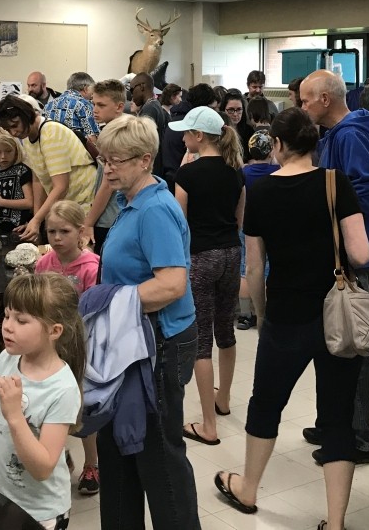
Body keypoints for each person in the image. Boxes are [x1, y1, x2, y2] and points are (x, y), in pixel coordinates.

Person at [214, 107, 369, 529]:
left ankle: (248, 489)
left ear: (278, 145)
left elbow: (254, 267)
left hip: (286, 314)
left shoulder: (261, 192)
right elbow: (361, 254)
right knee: (337, 417)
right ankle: (335, 522)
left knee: (266, 403)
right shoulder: (337, 183)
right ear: (314, 143)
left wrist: (262, 315)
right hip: (338, 317)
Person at [95, 115, 199, 530]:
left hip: (158, 342)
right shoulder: (130, 201)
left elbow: (172, 284)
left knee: (157, 454)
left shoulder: (155, 209)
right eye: (104, 159)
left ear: (145, 160)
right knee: (119, 447)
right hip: (130, 341)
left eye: (116, 160)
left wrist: (107, 301)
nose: (108, 168)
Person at [0, 273, 85, 530]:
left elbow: (43, 468)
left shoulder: (62, 388)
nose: (7, 326)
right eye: (7, 315)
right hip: (3, 498)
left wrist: (14, 416)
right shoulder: (8, 359)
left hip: (42, 513)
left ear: (54, 331)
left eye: (21, 320)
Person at [299, 68, 369, 461]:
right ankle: (330, 422)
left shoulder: (350, 135)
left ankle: (359, 436)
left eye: (305, 100)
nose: (301, 107)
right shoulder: (334, 135)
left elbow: (368, 192)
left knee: (354, 344)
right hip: (338, 254)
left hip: (353, 257)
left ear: (325, 100)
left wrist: (331, 215)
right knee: (332, 341)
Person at [170, 106, 245, 448]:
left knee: (201, 340)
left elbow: (179, 224)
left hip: (200, 257)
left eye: (186, 133)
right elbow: (239, 221)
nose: (183, 138)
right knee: (225, 330)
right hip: (231, 253)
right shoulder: (235, 173)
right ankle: (224, 398)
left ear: (198, 137)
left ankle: (209, 425)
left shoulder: (187, 176)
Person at [35, 200, 101, 496]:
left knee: (83, 408)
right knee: (48, 405)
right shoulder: (43, 265)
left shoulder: (91, 268)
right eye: (51, 231)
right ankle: (58, 453)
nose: (57, 238)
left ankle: (92, 463)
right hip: (50, 349)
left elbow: (96, 311)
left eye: (64, 231)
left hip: (81, 346)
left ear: (81, 233)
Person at [0, 95, 97, 243]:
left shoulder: (51, 133)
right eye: (8, 129)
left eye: (15, 125)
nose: (13, 133)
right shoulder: (27, 138)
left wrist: (37, 220)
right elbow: (38, 180)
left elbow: (61, 186)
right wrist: (36, 221)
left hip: (83, 205)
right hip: (67, 206)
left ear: (26, 115)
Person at [237, 129, 278, 330]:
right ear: (272, 150)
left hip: (246, 225)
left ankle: (245, 314)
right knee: (268, 268)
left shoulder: (243, 173)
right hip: (272, 226)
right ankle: (267, 309)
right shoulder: (278, 171)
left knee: (246, 268)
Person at [84, 80, 127, 252]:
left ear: (119, 106)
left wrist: (88, 222)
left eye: (101, 105)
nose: (95, 109)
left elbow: (108, 184)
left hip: (111, 217)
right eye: (93, 103)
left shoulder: (117, 134)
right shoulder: (114, 130)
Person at [159, 82, 217, 185]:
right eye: (211, 108)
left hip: (172, 177)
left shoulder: (176, 118)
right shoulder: (191, 124)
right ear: (203, 106)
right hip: (183, 182)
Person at [0, 133, 34, 249]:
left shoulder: (22, 170)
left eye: (8, 151)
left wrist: (2, 202)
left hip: (19, 229)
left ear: (16, 151)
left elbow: (29, 202)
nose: (3, 156)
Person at [44, 72, 100, 157]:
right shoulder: (83, 104)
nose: (92, 94)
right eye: (92, 90)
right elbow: (93, 138)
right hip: (78, 158)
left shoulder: (49, 105)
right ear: (85, 89)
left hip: (53, 156)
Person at [130, 72, 168, 174]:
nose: (131, 95)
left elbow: (143, 142)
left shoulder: (149, 108)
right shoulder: (154, 105)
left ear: (142, 86)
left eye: (132, 89)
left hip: (150, 167)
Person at [222, 90, 253, 158]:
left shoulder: (249, 131)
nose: (235, 114)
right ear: (223, 110)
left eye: (239, 109)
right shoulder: (219, 132)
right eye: (231, 110)